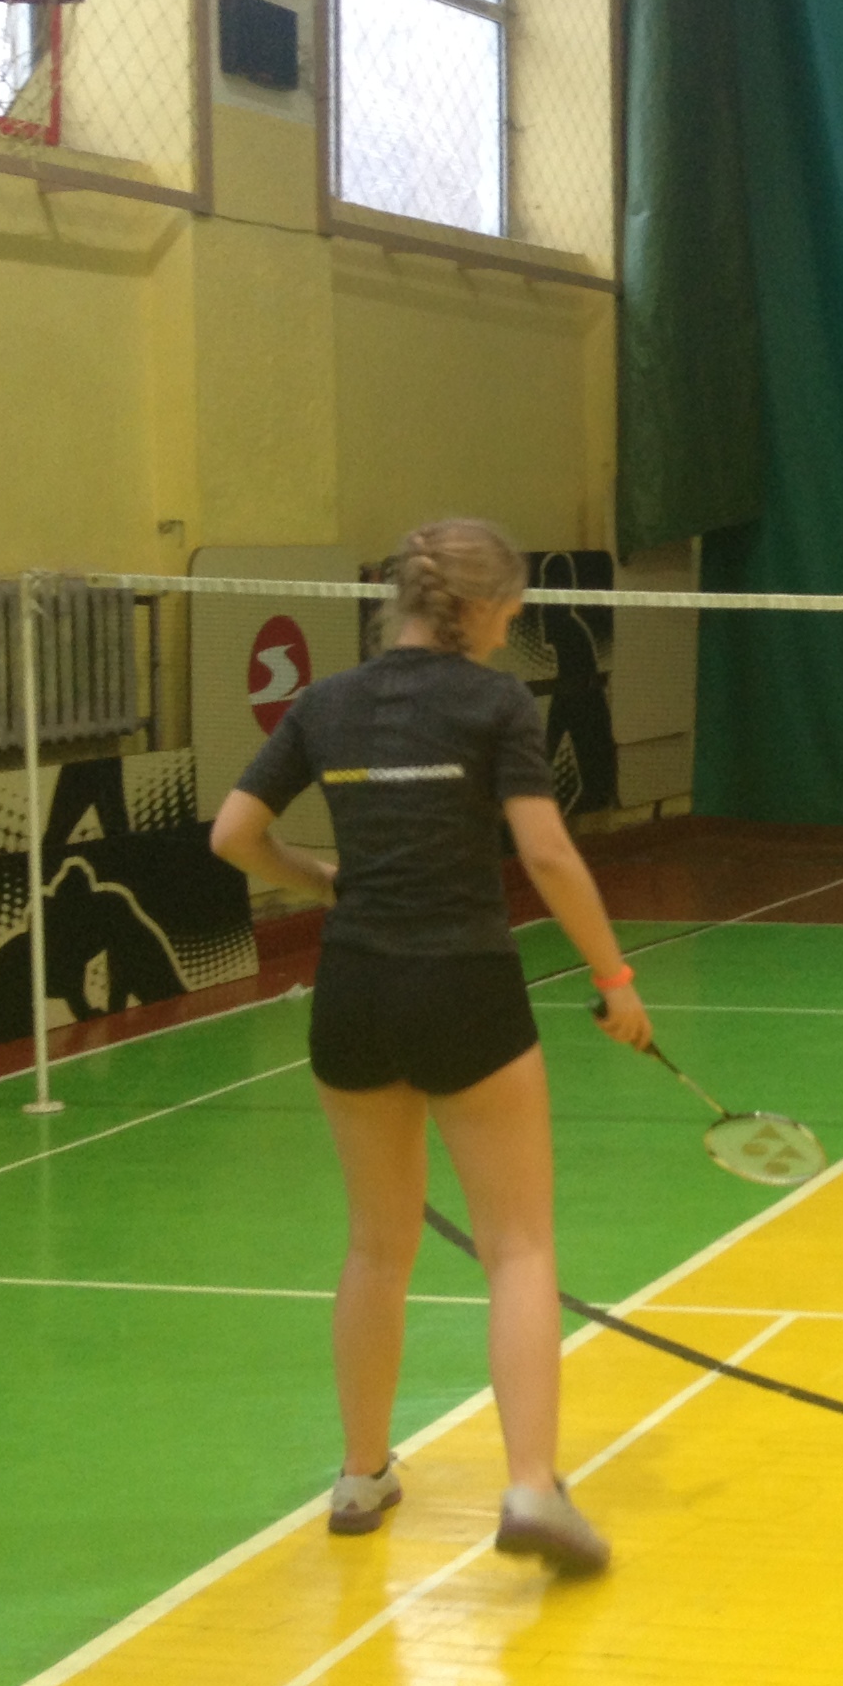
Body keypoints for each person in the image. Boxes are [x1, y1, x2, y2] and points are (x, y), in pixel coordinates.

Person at [210, 517, 651, 1577]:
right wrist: (615, 979)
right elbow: (547, 852)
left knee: (376, 1245)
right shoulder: (497, 704)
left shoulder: (326, 703)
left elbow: (232, 835)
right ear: (485, 609)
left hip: (355, 993)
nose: (511, 627)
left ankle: (361, 1474)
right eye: (512, 610)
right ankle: (531, 1487)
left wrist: (323, 881)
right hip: (464, 990)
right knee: (520, 1248)